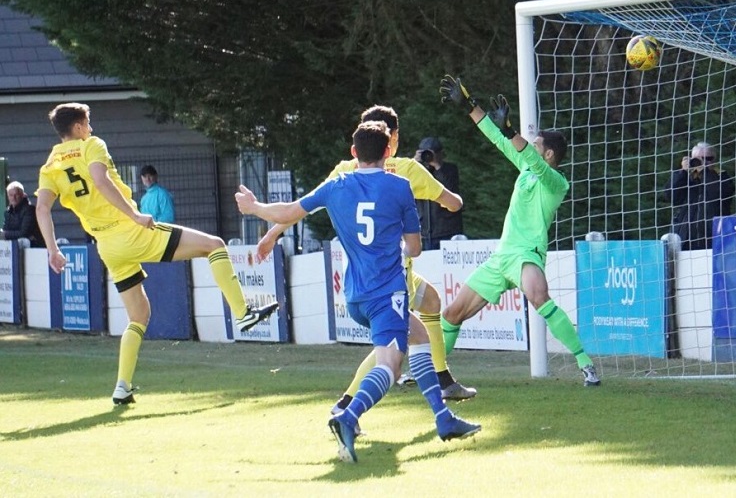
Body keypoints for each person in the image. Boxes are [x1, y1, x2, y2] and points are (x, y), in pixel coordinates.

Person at [236, 120, 481, 463]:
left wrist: (255, 208)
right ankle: (347, 416)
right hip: (388, 293)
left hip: (355, 295)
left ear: (354, 153)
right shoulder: (399, 186)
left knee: (420, 335)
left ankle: (444, 419)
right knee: (391, 367)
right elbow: (414, 249)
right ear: (388, 151)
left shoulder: (337, 185)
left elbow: (290, 211)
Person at [35, 102, 278, 405]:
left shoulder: (50, 166)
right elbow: (100, 179)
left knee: (139, 315)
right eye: (89, 123)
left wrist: (53, 248)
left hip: (107, 247)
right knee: (215, 245)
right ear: (80, 127)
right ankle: (242, 314)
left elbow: (42, 208)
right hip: (131, 231)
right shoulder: (91, 145)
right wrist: (134, 216)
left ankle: (122, 386)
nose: (92, 129)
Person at [438, 75, 601, 387]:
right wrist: (470, 105)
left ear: (548, 154)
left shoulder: (556, 182)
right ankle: (435, 374)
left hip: (526, 254)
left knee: (540, 298)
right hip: (502, 256)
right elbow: (496, 139)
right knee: (452, 314)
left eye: (536, 144)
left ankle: (586, 364)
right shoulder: (528, 166)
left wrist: (511, 130)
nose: (531, 147)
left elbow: (528, 157)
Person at [663, 142, 735, 251]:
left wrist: (704, 171)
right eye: (698, 159)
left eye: (707, 158)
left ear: (715, 160)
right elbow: (671, 196)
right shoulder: (686, 178)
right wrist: (682, 172)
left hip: (714, 240)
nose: (703, 162)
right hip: (685, 240)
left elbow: (717, 194)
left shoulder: (722, 177)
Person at [415, 137, 464, 250]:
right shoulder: (415, 171)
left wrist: (438, 166)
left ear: (440, 153)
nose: (428, 157)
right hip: (423, 232)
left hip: (447, 230)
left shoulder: (450, 170)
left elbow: (450, 188)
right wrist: (414, 163)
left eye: (431, 153)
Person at [2, 181, 45, 247]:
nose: (13, 198)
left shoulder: (30, 210)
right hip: (15, 247)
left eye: (16, 195)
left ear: (22, 195)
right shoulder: (7, 212)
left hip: (34, 247)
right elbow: (6, 230)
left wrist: (4, 234)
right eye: (11, 195)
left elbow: (24, 233)